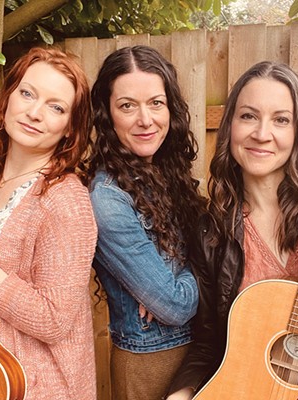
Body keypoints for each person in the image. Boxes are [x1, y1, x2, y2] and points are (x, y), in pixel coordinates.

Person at [167, 61, 298, 399]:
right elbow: (208, 342)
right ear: (230, 125)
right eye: (248, 116)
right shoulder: (211, 231)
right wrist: (183, 391)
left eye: (281, 119)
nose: (262, 133)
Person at [0, 47, 97, 399]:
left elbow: (54, 320)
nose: (35, 113)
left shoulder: (65, 199)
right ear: (8, 97)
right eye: (27, 93)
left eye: (56, 107)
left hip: (34, 387)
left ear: (70, 128)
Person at [88, 45, 207, 400]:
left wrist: (177, 272)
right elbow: (174, 306)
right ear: (107, 114)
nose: (145, 119)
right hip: (152, 360)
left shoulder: (165, 171)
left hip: (198, 350)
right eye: (127, 105)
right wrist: (203, 270)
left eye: (156, 102)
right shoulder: (107, 197)